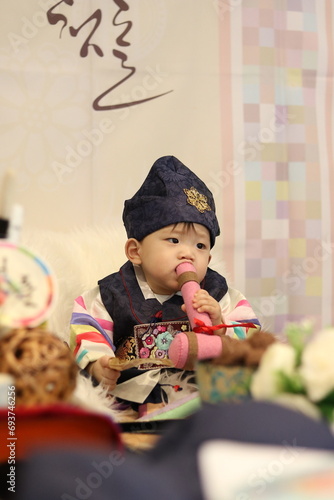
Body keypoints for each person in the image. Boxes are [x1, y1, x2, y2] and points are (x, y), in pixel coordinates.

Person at [70, 156, 260, 410]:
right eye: (174, 241)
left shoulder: (218, 294)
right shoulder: (112, 294)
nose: (188, 253)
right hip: (131, 396)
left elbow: (251, 335)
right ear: (136, 251)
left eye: (200, 245)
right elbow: (87, 325)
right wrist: (98, 363)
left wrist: (219, 326)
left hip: (199, 394)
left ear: (210, 257)